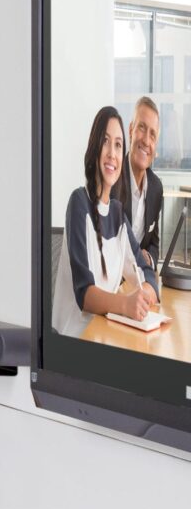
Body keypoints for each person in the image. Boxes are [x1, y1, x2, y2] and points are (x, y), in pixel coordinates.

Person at [58, 103, 164, 337]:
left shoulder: (117, 214)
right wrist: (126, 303)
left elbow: (145, 269)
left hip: (105, 333)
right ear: (94, 146)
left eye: (118, 145)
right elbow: (84, 294)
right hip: (76, 337)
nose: (112, 154)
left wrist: (145, 292)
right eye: (105, 141)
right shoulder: (78, 202)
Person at [125, 94, 167, 282]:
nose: (146, 141)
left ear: (155, 145)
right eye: (141, 128)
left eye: (153, 134)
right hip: (110, 285)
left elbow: (154, 244)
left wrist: (148, 258)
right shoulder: (112, 176)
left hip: (138, 284)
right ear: (131, 130)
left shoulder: (156, 188)